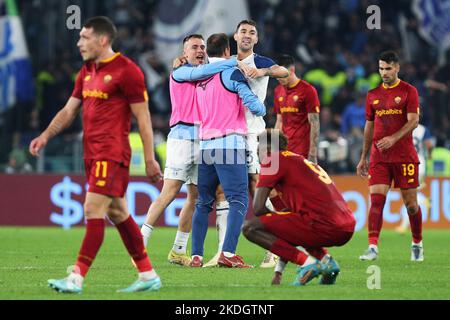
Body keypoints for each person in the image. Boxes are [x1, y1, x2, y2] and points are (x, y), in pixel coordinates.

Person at [29, 16, 163, 293]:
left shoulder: (128, 71)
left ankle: (75, 278)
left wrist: (150, 159)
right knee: (118, 212)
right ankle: (148, 274)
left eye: (84, 37)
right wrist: (45, 135)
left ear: (102, 40)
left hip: (111, 153)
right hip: (91, 154)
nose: (79, 43)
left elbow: (144, 119)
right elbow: (68, 111)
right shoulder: (87, 71)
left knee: (92, 209)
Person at [139, 34, 240, 266]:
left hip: (204, 139)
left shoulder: (208, 73)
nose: (200, 50)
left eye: (203, 47)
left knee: (195, 197)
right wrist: (236, 60)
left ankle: (178, 250)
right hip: (183, 137)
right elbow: (206, 71)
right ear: (184, 53)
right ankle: (140, 242)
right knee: (170, 191)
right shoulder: (181, 72)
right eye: (194, 47)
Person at [203, 19, 289, 269]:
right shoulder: (224, 64)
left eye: (252, 32)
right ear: (235, 36)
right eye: (243, 32)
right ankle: (222, 252)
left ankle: (276, 248)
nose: (248, 35)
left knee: (257, 188)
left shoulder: (259, 61)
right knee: (221, 192)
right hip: (228, 133)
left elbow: (285, 72)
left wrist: (262, 72)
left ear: (257, 39)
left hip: (252, 134)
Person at [189, 33, 266, 268]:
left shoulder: (200, 77)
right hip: (229, 145)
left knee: (203, 203)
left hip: (206, 147)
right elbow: (257, 107)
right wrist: (258, 104)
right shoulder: (230, 73)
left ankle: (196, 256)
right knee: (239, 200)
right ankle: (229, 254)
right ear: (225, 53)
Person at [243, 129, 355, 285]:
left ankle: (307, 263)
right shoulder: (299, 161)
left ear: (267, 150)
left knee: (250, 227)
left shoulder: (273, 160)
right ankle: (328, 263)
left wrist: (275, 225)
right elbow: (289, 226)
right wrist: (278, 271)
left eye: (258, 151)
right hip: (346, 225)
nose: (258, 157)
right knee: (290, 219)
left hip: (325, 224)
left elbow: (258, 208)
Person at [357, 51, 424, 262]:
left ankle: (417, 243)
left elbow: (414, 121)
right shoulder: (372, 94)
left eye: (387, 69)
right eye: (380, 68)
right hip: (380, 157)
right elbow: (369, 127)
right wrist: (363, 156)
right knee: (376, 201)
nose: (383, 73)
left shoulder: (408, 91)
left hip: (404, 156)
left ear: (397, 68)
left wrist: (393, 139)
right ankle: (373, 247)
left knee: (411, 205)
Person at [273, 54, 320, 162]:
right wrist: (275, 148)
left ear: (292, 70)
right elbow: (279, 121)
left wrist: (313, 153)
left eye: (282, 75)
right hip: (285, 150)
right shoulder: (278, 91)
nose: (279, 79)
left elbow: (314, 123)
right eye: (277, 76)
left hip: (303, 150)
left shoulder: (308, 90)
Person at [395, 123, 433, 233]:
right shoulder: (423, 129)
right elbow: (429, 145)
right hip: (420, 163)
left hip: (408, 162)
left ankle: (403, 226)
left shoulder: (402, 127)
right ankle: (404, 226)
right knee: (412, 195)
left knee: (410, 196)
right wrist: (429, 155)